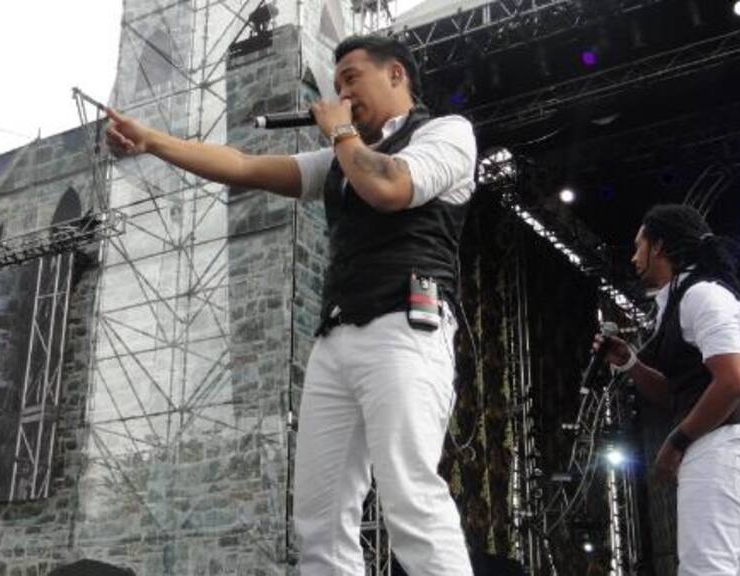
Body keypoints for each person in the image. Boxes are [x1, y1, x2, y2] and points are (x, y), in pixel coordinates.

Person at [107, 34, 476, 575]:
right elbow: (242, 165)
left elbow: (391, 187)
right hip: (337, 338)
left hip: (406, 324)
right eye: (336, 84)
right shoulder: (340, 159)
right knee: (319, 520)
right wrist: (153, 142)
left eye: (352, 79)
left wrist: (341, 132)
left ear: (396, 74)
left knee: (410, 499)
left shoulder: (446, 133)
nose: (341, 93)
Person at [595, 204, 740, 576]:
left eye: (639, 246)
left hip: (722, 448)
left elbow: (732, 382)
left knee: (706, 567)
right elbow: (680, 394)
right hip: (724, 447)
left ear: (659, 246)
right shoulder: (683, 300)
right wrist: (631, 364)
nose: (634, 258)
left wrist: (677, 441)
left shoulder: (701, 295)